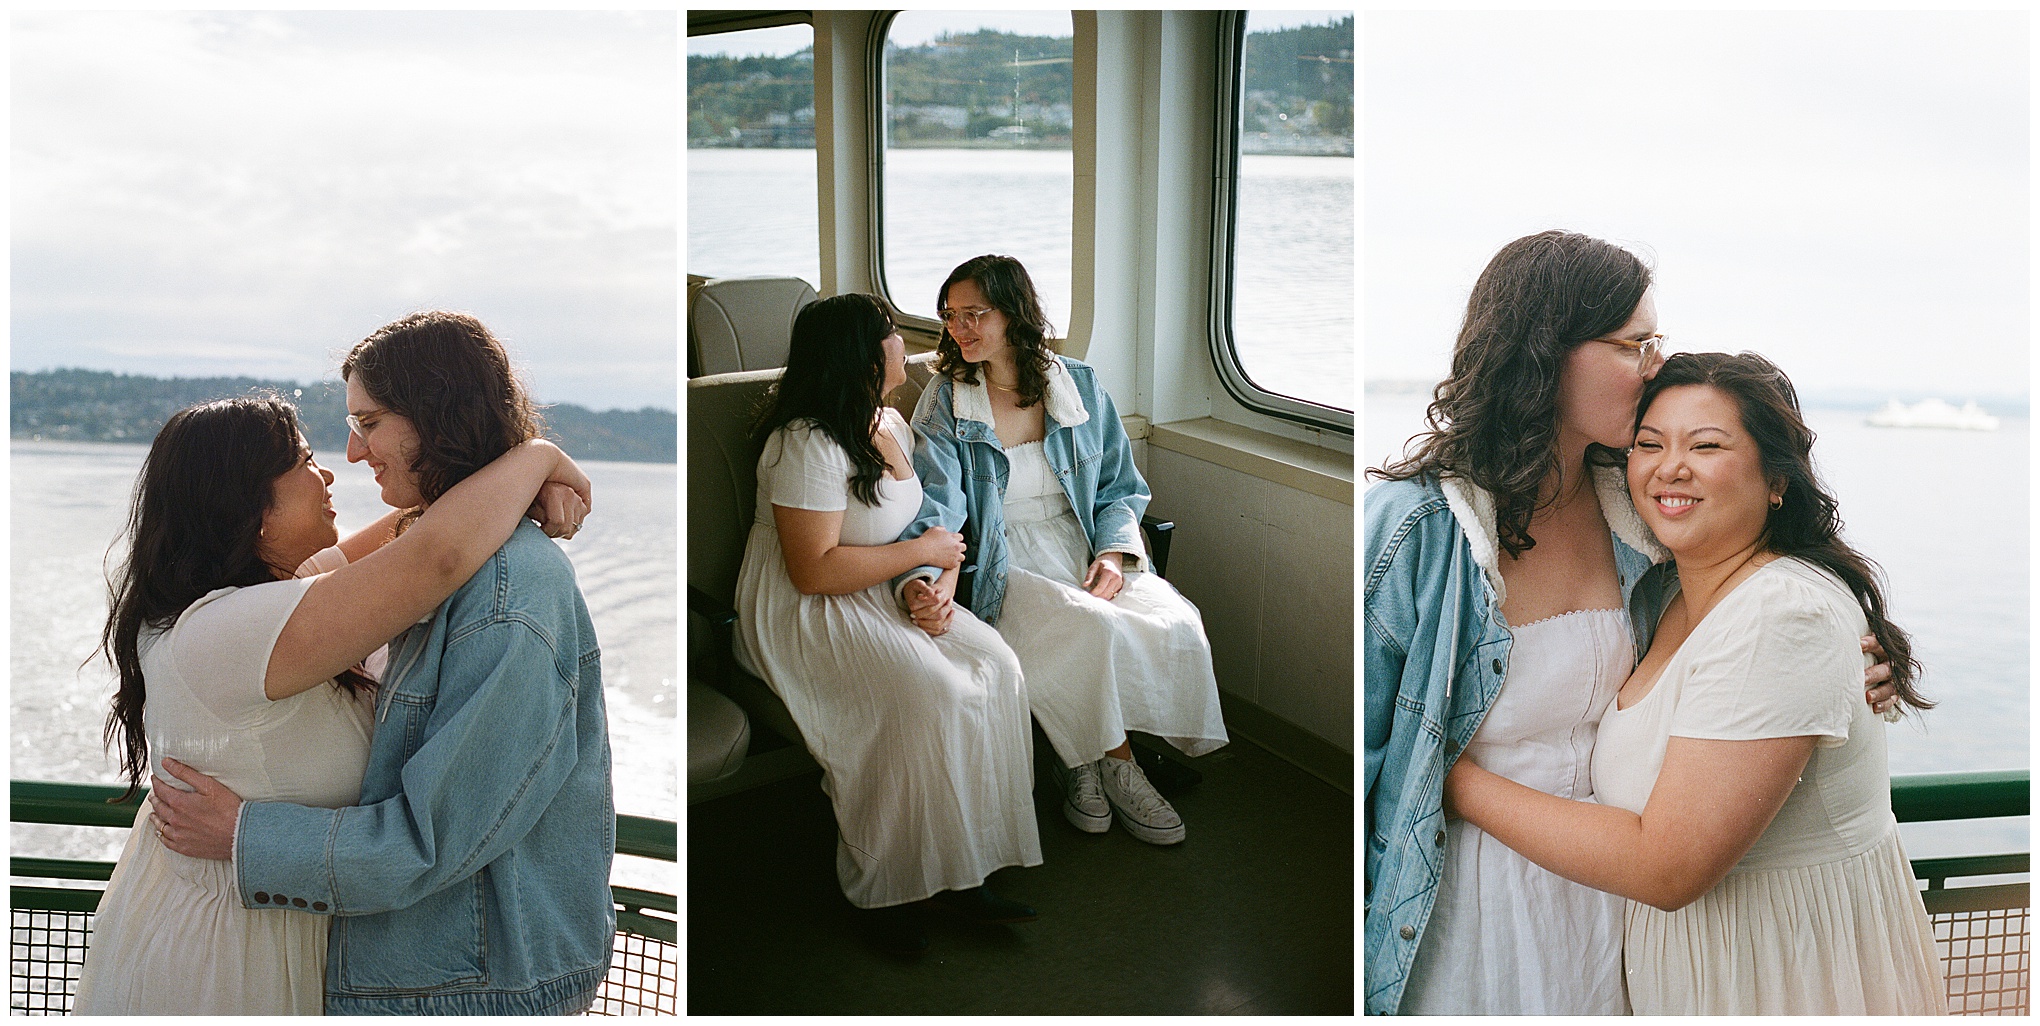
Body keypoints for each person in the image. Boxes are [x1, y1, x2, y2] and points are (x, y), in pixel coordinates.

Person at [1362, 231, 1898, 1015]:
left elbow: (1751, 619)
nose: (1655, 366)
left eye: (1658, 342)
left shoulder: (1641, 516)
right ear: (1546, 353)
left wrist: (1853, 662)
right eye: (1634, 344)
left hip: (1622, 900)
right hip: (1461, 895)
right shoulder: (1418, 531)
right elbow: (1367, 753)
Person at [1443, 351, 1945, 1014]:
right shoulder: (1665, 595)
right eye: (1649, 444)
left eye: (1706, 445)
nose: (1669, 466)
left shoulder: (1780, 613)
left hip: (1785, 976)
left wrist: (1453, 780)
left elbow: (1666, 866)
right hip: (1703, 968)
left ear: (1777, 480)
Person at [146, 311, 617, 1015]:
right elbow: (428, 551)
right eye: (314, 454)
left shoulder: (509, 593)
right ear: (248, 510)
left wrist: (250, 836)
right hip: (418, 974)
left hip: (465, 994)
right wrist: (535, 461)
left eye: (368, 423)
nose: (350, 454)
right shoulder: (252, 616)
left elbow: (434, 838)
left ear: (434, 415)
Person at [734, 292, 1041, 955]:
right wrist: (921, 557)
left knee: (998, 669)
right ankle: (885, 888)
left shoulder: (890, 423)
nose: (907, 344)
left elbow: (920, 530)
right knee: (927, 693)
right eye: (895, 335)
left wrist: (926, 589)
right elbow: (812, 570)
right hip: (807, 607)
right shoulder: (807, 442)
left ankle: (966, 870)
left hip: (885, 587)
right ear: (864, 354)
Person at [897, 254, 1228, 848]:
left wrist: (1115, 554)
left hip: (1081, 542)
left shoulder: (1078, 385)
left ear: (1014, 312)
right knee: (1085, 629)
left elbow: (1120, 490)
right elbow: (937, 511)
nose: (960, 328)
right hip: (1003, 558)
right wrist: (928, 578)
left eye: (976, 313)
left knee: (1177, 620)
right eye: (951, 316)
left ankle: (1081, 758)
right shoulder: (946, 402)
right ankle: (1115, 764)